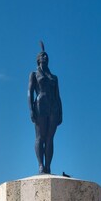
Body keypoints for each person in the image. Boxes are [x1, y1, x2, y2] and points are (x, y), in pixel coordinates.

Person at [28, 42, 62, 174]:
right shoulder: (34, 74)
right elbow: (30, 92)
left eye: (46, 56)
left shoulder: (54, 77)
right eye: (43, 55)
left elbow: (58, 95)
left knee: (50, 137)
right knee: (40, 137)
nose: (45, 57)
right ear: (38, 59)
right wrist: (31, 108)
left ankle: (48, 165)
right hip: (40, 105)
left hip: (53, 107)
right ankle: (40, 165)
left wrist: (61, 112)